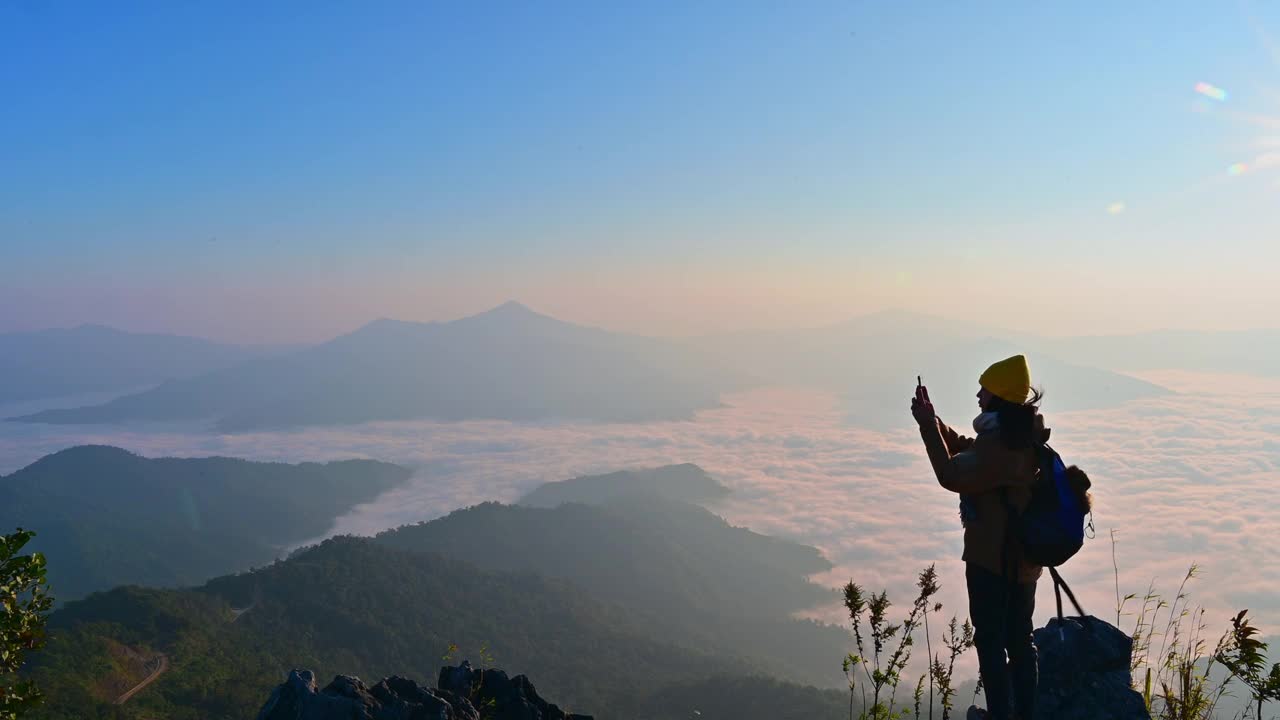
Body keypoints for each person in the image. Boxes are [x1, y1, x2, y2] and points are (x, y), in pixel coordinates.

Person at [911, 355, 1047, 720]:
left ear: (998, 395)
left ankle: (1002, 715)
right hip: (1023, 563)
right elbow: (973, 452)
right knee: (1019, 639)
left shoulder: (1000, 446)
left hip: (992, 562)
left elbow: (952, 474)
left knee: (992, 641)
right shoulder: (1019, 435)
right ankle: (1024, 713)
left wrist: (926, 428)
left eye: (984, 388)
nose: (978, 394)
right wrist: (936, 422)